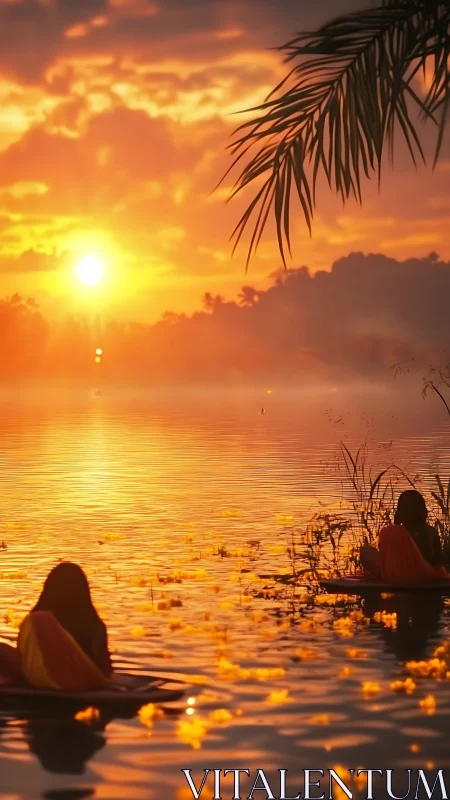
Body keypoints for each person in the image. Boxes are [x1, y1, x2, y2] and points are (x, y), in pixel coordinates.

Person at [0, 562, 112, 690]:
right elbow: (106, 669)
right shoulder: (95, 622)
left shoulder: (37, 620)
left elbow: (25, 657)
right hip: (90, 680)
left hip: (43, 680)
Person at [360, 490, 449, 584]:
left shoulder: (388, 532)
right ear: (424, 511)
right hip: (426, 576)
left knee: (366, 550)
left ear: (399, 512)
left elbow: (385, 558)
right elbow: (439, 559)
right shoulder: (432, 532)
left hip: (393, 576)